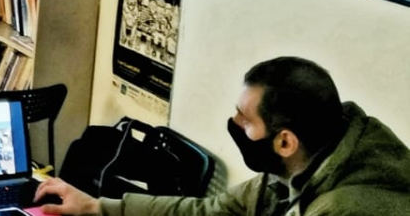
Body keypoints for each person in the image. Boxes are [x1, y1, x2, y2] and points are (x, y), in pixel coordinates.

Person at [35, 57, 410, 215]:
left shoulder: (347, 207)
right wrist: (98, 207)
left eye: (245, 120)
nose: (234, 123)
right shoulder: (305, 160)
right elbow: (210, 211)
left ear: (285, 142)